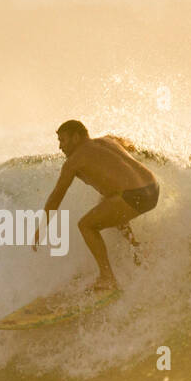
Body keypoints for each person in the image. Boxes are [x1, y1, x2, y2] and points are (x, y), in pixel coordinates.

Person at [34, 119, 159, 291]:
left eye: (62, 140)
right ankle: (136, 249)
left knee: (86, 225)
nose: (60, 147)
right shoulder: (108, 140)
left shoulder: (73, 162)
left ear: (76, 137)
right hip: (152, 187)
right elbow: (130, 145)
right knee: (107, 204)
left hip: (135, 196)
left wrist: (41, 226)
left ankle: (107, 278)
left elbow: (56, 196)